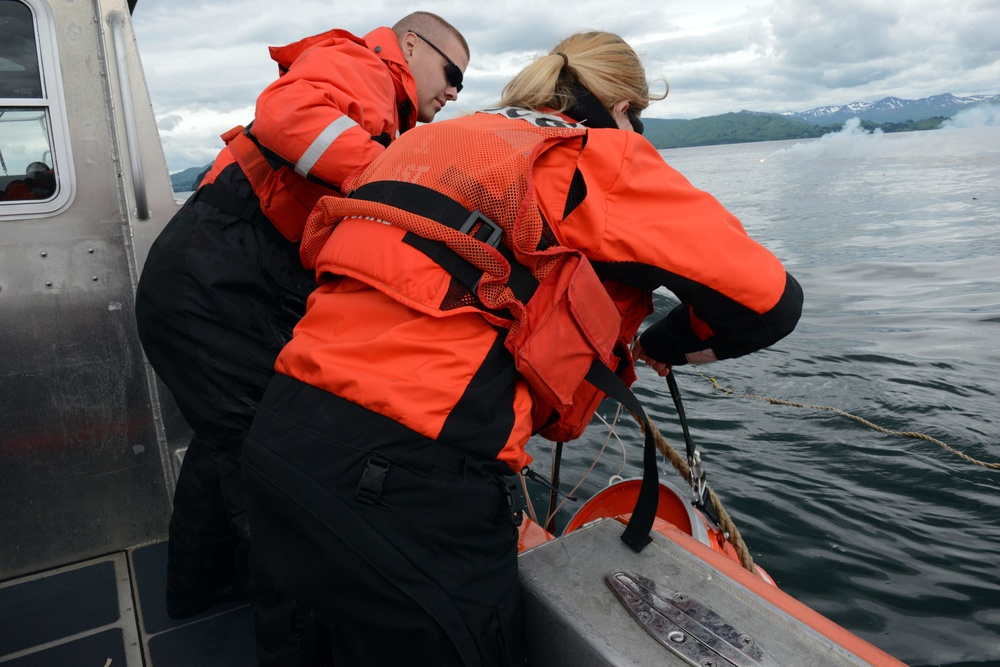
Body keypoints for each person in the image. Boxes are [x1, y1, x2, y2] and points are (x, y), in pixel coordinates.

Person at [241, 31, 803, 666]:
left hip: (279, 436)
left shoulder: (427, 140)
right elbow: (771, 302)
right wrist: (665, 342)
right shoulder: (602, 157)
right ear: (623, 109)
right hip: (407, 480)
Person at [132, 10, 469, 663]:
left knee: (226, 441)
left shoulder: (381, 106)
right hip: (215, 282)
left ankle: (197, 588)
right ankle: (302, 647)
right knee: (277, 468)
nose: (455, 91)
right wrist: (419, 194)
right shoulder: (364, 65)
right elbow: (289, 115)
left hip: (204, 279)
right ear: (409, 45)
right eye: (451, 73)